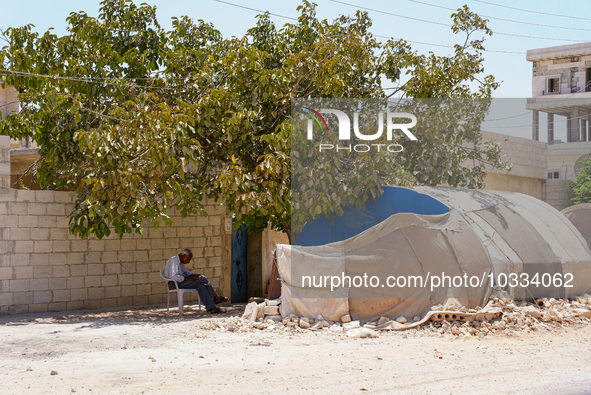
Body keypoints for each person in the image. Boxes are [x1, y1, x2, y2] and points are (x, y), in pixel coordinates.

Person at [163, 249, 228, 314]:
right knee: (202, 278)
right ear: (184, 256)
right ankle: (215, 297)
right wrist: (189, 279)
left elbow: (186, 272)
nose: (188, 262)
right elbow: (174, 276)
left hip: (181, 282)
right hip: (174, 284)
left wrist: (192, 275)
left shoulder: (181, 262)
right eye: (188, 259)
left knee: (201, 286)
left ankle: (213, 308)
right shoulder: (173, 260)